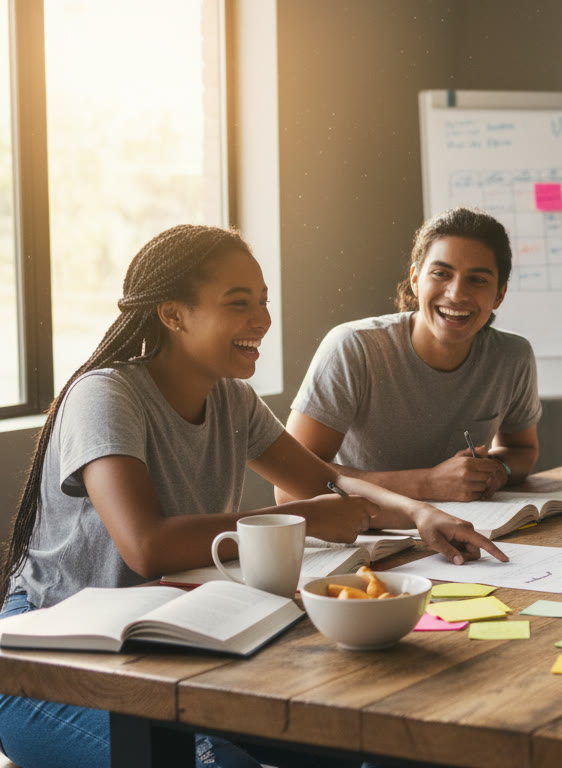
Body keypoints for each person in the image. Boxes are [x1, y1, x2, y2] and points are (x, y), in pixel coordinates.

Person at [0, 225, 507, 768]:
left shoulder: (231, 397)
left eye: (263, 301)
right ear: (173, 315)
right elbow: (147, 547)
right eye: (239, 303)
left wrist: (420, 514)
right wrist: (300, 519)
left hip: (175, 639)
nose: (262, 319)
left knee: (357, 742)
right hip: (51, 658)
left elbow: (326, 480)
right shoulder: (105, 395)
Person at [283, 208, 541, 504]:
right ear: (416, 280)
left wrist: (499, 470)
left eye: (477, 280)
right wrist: (427, 485)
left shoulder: (512, 356)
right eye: (441, 274)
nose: (456, 294)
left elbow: (521, 452)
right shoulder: (354, 347)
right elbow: (289, 485)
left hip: (471, 531)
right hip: (367, 534)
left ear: (499, 294)